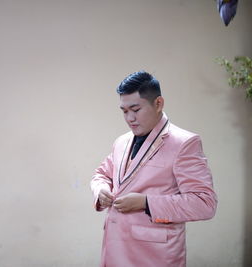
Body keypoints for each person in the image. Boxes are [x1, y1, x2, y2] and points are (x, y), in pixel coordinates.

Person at [90, 71, 217, 267]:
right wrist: (101, 191)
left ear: (158, 103)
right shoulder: (121, 142)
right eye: (124, 111)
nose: (130, 118)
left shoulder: (185, 143)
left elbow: (204, 203)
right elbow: (101, 174)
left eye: (135, 109)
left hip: (154, 257)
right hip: (114, 252)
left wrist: (146, 203)